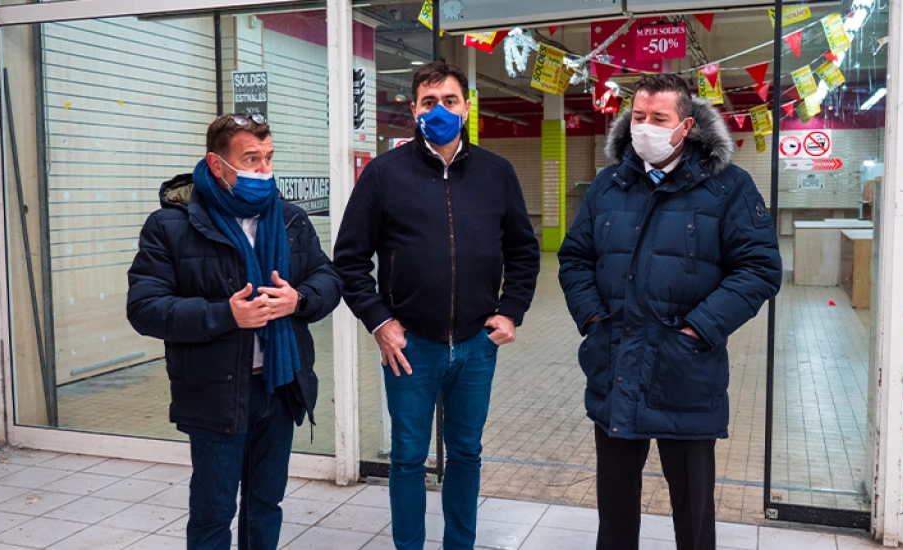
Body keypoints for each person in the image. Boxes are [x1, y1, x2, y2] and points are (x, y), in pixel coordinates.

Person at [558, 74, 782, 550]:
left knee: (693, 515)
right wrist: (593, 319)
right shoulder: (607, 185)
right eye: (638, 117)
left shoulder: (729, 188)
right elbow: (574, 257)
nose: (645, 128)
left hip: (684, 372)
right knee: (615, 512)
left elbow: (760, 269)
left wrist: (699, 329)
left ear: (685, 126)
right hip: (616, 367)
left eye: (658, 118)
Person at [333, 61, 540, 550]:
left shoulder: (496, 173)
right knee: (406, 458)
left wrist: (511, 310)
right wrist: (380, 322)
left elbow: (524, 251)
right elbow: (349, 260)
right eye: (429, 102)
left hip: (475, 344)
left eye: (449, 100)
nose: (440, 110)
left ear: (467, 107)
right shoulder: (385, 174)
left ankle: (459, 545)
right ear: (413, 110)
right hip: (411, 347)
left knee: (466, 453)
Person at [127, 113, 342, 550]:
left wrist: (297, 300)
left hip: (280, 388)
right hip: (215, 392)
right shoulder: (172, 225)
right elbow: (145, 308)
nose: (265, 171)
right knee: (213, 512)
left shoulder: (290, 219)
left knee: (266, 504)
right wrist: (225, 315)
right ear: (218, 164)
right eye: (251, 160)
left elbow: (328, 278)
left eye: (268, 158)